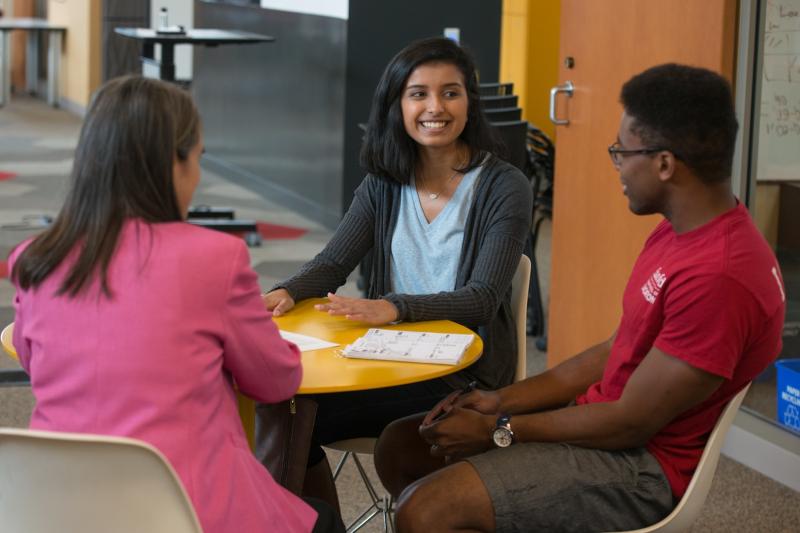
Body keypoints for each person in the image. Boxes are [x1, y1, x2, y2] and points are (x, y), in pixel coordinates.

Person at [373, 63, 786, 533]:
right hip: (604, 425)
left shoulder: (721, 275)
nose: (617, 167)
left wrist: (500, 429)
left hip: (641, 469)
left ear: (665, 163)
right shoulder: (678, 232)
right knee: (402, 447)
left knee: (426, 511)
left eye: (621, 152)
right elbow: (615, 351)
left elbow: (632, 423)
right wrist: (497, 401)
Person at [8, 76, 343, 533]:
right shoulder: (215, 258)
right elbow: (276, 382)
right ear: (175, 162)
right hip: (187, 509)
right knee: (318, 520)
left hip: (55, 507)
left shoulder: (35, 258)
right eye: (198, 158)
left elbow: (35, 362)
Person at [260, 37, 532, 509]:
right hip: (386, 358)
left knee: (296, 418)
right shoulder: (384, 183)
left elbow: (483, 298)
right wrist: (285, 290)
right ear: (397, 105)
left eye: (451, 92)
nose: (435, 107)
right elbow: (332, 263)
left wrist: (393, 307)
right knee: (279, 408)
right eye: (418, 93)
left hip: (462, 373)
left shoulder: (503, 186)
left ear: (470, 101)